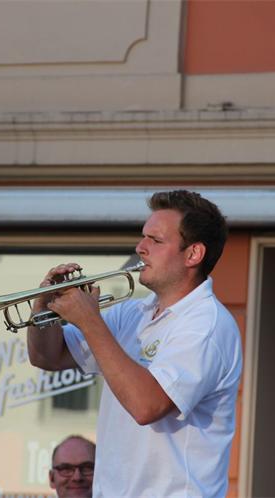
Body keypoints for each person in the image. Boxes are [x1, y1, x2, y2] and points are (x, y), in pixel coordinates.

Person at [27, 190, 243, 497]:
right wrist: (43, 307)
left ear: (193, 254)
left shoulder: (207, 324)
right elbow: (49, 356)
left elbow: (147, 406)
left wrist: (89, 320)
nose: (140, 248)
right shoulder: (134, 312)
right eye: (143, 237)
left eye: (155, 240)